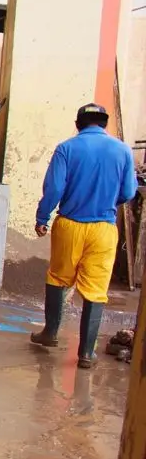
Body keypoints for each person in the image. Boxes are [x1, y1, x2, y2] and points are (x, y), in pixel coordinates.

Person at [31, 102, 138, 368]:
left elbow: (54, 189)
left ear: (78, 123)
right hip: (104, 228)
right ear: (104, 124)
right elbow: (128, 193)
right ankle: (86, 353)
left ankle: (50, 333)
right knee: (96, 290)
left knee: (58, 278)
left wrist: (42, 217)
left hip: (70, 224)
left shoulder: (67, 148)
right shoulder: (123, 150)